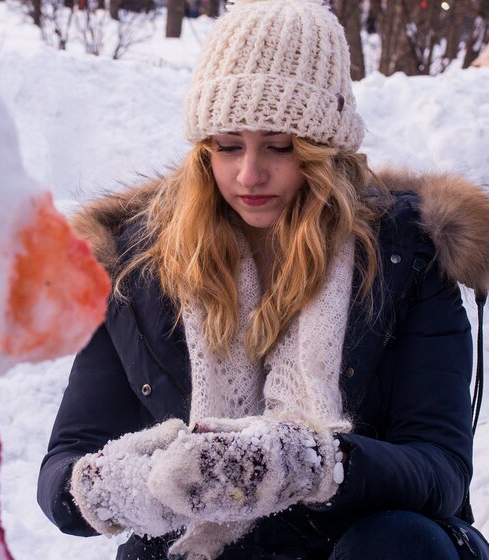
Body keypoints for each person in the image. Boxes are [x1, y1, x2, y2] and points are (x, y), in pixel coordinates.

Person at [36, 0, 489, 559]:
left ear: (325, 151)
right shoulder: (139, 266)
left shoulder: (404, 256)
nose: (249, 174)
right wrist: (131, 485)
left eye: (280, 146)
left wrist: (310, 464)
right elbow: (63, 469)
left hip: (357, 539)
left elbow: (440, 469)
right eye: (228, 147)